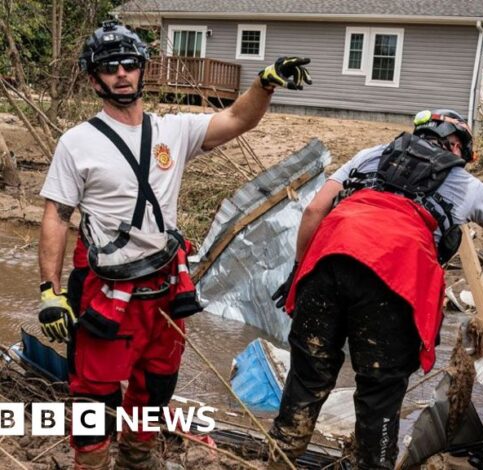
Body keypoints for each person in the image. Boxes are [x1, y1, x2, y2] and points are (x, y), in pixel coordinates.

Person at [37, 19, 311, 470]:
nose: (121, 73)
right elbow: (56, 216)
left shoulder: (174, 130)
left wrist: (265, 83)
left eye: (129, 64)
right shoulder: (77, 143)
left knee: (156, 383)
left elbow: (237, 118)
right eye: (110, 67)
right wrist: (48, 291)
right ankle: (91, 463)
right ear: (94, 79)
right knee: (94, 389)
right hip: (105, 289)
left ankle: (137, 456)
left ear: (143, 70)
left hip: (165, 287)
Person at [268, 109, 483, 468]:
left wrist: (299, 269)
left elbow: (314, 211)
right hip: (394, 277)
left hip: (329, 260)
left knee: (307, 375)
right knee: (379, 394)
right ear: (456, 144)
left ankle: (277, 459)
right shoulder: (463, 183)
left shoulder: (370, 155)